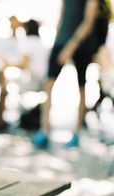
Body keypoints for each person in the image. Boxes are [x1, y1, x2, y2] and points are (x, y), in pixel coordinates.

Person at [31, 0, 101, 148]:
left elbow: (88, 22)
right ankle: (44, 131)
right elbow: (62, 16)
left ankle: (76, 133)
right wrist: (57, 41)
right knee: (48, 84)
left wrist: (71, 46)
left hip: (82, 44)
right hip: (61, 40)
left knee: (81, 87)